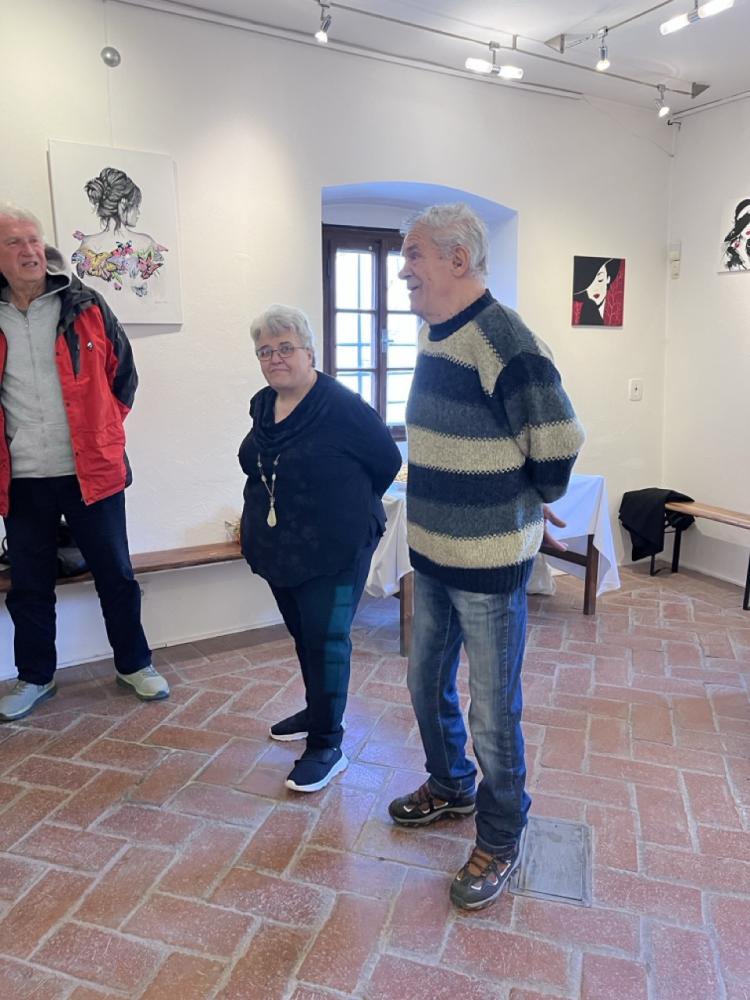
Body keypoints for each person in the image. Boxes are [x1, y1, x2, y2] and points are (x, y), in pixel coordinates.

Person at [388, 203, 584, 911]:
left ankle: (501, 836)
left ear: (458, 259)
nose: (404, 270)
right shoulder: (434, 333)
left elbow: (557, 441)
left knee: (494, 713)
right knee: (424, 683)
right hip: (434, 553)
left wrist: (530, 499)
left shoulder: (504, 337)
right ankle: (451, 786)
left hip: (489, 564)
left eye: (414, 255)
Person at [0, 204, 168, 722]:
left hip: (91, 470)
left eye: (33, 240)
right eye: (13, 243)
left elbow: (124, 375)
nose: (29, 251)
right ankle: (35, 677)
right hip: (21, 477)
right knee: (29, 584)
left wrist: (104, 431)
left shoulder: (83, 303)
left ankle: (135, 664)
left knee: (115, 573)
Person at [238, 305, 401, 793]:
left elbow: (386, 461)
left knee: (327, 638)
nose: (275, 358)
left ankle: (328, 744)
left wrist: (343, 504)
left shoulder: (343, 406)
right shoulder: (263, 405)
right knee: (304, 634)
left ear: (309, 352)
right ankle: (318, 710)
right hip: (279, 545)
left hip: (335, 544)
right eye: (265, 351)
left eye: (286, 348)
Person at [71, 167, 168, 298]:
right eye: (135, 206)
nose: (138, 213)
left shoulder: (89, 244)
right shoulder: (145, 243)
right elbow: (159, 292)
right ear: (123, 205)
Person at [572, 256, 621, 325]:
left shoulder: (616, 309)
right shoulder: (577, 310)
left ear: (608, 278)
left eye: (600, 279)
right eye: (589, 283)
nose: (595, 288)